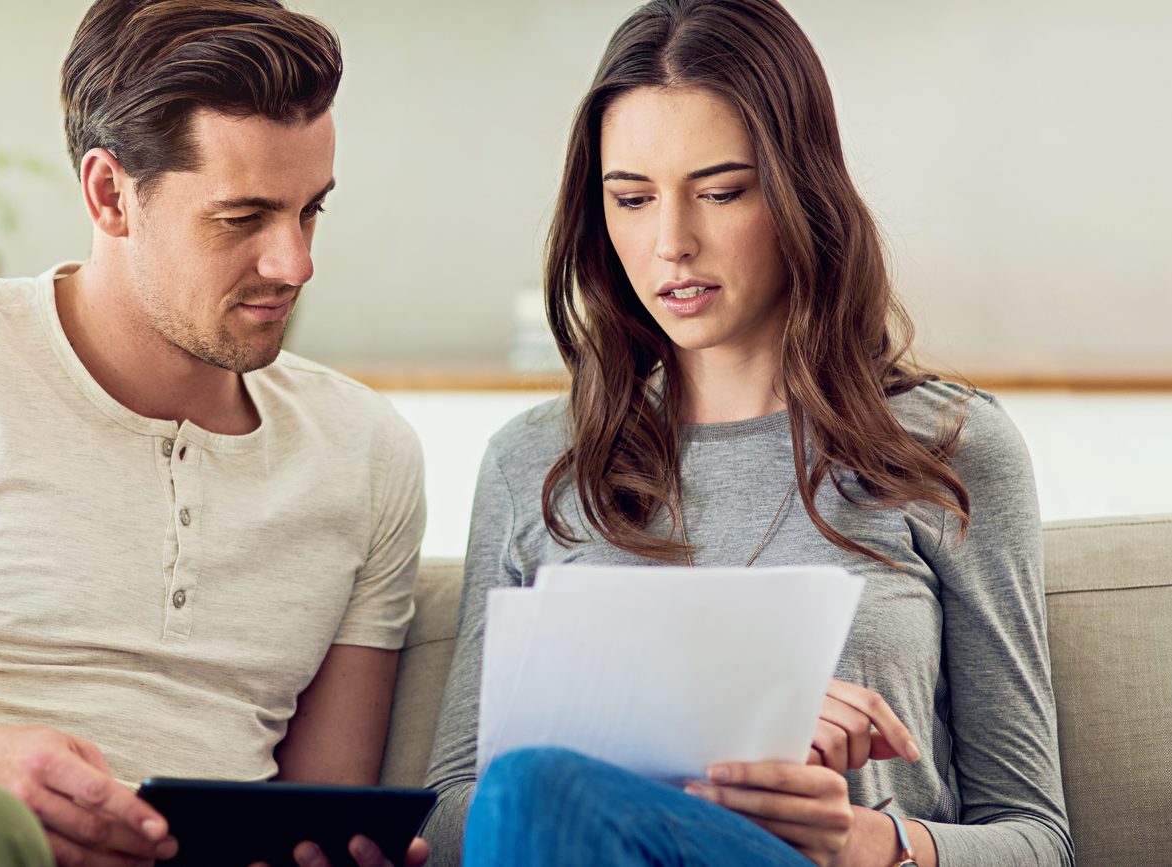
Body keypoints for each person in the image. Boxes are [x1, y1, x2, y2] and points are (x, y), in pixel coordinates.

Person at [0, 3, 429, 866]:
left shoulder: (367, 451)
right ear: (110, 194)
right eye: (242, 217)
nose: (294, 264)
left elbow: (323, 809)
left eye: (310, 211)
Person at [420, 1, 1072, 865]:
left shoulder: (949, 445)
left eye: (721, 191)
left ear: (801, 190)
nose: (670, 244)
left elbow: (1038, 838)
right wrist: (702, 724)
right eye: (631, 198)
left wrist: (866, 842)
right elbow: (453, 814)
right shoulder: (536, 460)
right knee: (537, 791)